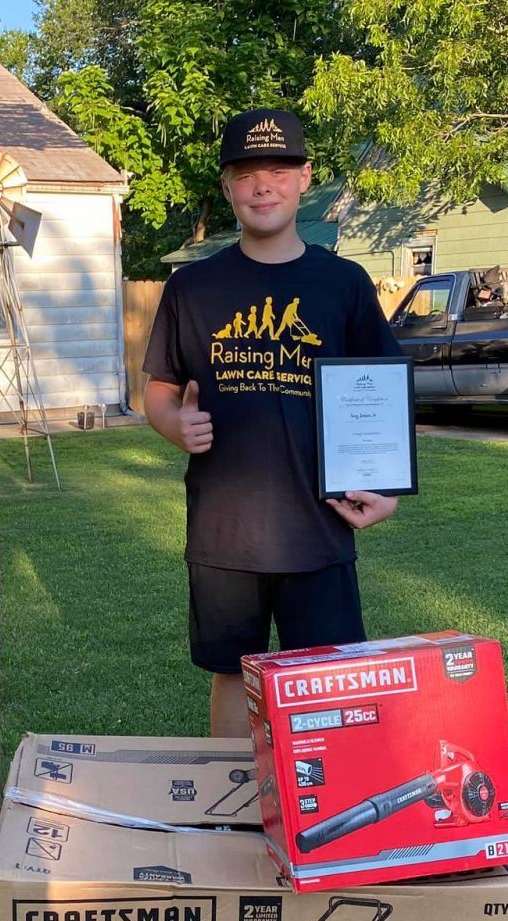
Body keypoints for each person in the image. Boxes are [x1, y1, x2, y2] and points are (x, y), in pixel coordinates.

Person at [142, 108, 403, 737]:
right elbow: (158, 389)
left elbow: (382, 393)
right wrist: (174, 424)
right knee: (233, 674)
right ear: (227, 185)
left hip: (319, 523)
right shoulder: (193, 288)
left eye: (279, 170)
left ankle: (323, 796)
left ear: (304, 177)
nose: (263, 185)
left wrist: (385, 486)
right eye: (246, 172)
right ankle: (231, 792)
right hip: (225, 531)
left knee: (328, 679)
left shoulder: (343, 283)